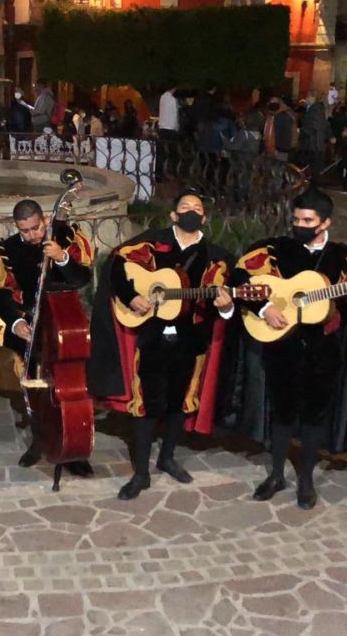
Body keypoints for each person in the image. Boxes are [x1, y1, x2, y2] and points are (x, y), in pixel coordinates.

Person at [228, 189, 347, 510]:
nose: (299, 224)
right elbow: (241, 280)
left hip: (323, 351)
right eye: (296, 219)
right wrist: (264, 308)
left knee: (314, 416)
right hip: (281, 346)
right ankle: (275, 474)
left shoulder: (344, 258)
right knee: (282, 412)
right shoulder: (273, 250)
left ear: (325, 222)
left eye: (308, 220)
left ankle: (306, 480)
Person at [89, 190, 236, 500]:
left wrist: (224, 305)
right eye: (185, 206)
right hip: (152, 336)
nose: (191, 211)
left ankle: (167, 457)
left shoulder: (217, 257)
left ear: (204, 218)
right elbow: (116, 266)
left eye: (198, 207)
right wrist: (132, 297)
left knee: (180, 402)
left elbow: (220, 302)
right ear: (173, 215)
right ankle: (141, 474)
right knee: (145, 404)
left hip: (191, 339)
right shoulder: (151, 244)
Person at [0, 199, 95, 476]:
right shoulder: (7, 251)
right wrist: (16, 322)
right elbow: (0, 294)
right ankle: (39, 439)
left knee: (69, 384)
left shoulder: (66, 236)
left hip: (63, 323)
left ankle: (72, 444)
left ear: (45, 219)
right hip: (31, 327)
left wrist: (61, 257)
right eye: (25, 231)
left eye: (36, 228)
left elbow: (81, 279)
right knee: (34, 388)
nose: (32, 235)